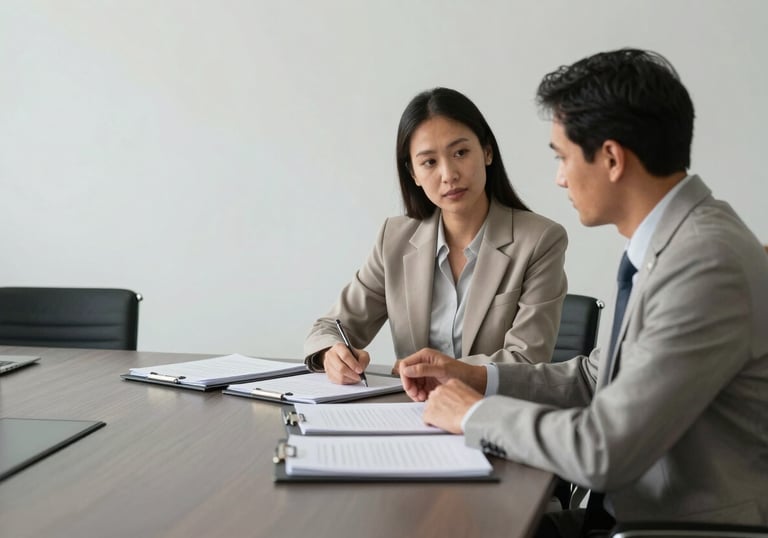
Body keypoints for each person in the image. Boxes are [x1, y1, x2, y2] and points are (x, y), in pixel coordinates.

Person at [400, 49, 768, 536]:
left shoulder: (704, 263)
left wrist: (474, 414)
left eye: (563, 156)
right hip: (625, 516)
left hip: (673, 528)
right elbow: (598, 376)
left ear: (612, 158)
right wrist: (474, 376)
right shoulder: (670, 243)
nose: (559, 177)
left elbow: (603, 450)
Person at [304, 87, 568, 384]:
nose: (448, 174)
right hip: (412, 415)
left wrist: (444, 371)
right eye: (429, 162)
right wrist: (332, 354)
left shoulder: (540, 240)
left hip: (490, 417)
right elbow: (328, 327)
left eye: (460, 153)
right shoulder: (395, 239)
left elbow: (527, 361)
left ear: (487, 152)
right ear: (413, 174)